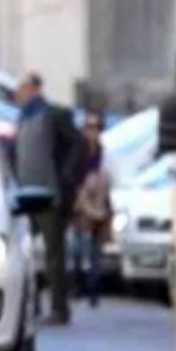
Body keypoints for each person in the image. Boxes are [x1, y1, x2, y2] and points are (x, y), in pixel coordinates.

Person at [13, 72, 85, 326]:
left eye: (21, 89)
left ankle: (59, 308)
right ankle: (29, 306)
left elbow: (78, 146)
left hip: (50, 194)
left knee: (55, 254)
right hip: (25, 194)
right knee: (24, 252)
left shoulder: (54, 115)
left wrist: (66, 177)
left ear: (34, 88)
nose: (17, 94)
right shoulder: (21, 118)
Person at [71, 111, 113, 307]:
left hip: (99, 201)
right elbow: (73, 179)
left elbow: (107, 177)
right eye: (89, 127)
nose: (92, 131)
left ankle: (93, 290)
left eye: (96, 127)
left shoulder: (103, 152)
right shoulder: (77, 151)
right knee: (79, 248)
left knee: (95, 249)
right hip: (80, 205)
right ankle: (78, 285)